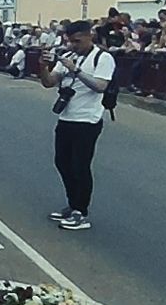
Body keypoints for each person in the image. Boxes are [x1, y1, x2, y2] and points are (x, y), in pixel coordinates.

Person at [38, 20, 115, 232]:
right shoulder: (68, 56)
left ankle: (81, 211)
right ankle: (72, 204)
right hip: (66, 117)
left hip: (88, 120)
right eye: (70, 41)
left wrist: (77, 71)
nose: (73, 45)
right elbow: (49, 82)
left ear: (89, 36)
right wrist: (43, 66)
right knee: (62, 162)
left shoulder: (103, 58)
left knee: (81, 166)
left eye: (77, 41)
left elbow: (100, 86)